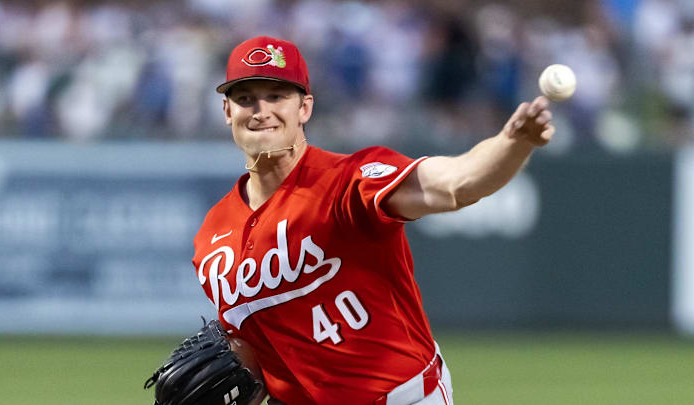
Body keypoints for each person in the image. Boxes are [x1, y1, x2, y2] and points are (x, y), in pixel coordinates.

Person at [192, 35, 554, 405]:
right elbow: (252, 352)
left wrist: (513, 143)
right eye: (245, 98)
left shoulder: (349, 180)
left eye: (276, 95)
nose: (260, 110)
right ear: (227, 111)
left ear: (305, 108)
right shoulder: (212, 237)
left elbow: (456, 184)